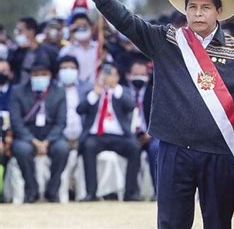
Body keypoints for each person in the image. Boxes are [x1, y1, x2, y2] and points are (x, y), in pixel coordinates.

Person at [81, 0, 234, 229]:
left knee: (218, 224)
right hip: (174, 150)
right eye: (193, 6)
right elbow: (127, 21)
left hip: (219, 152)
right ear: (185, 10)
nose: (198, 13)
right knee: (171, 224)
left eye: (206, 7)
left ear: (218, 11)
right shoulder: (166, 40)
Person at [76, 62, 141, 202]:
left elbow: (130, 106)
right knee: (88, 146)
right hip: (96, 135)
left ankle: (131, 192)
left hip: (118, 136)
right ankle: (91, 193)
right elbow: (80, 110)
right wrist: (95, 93)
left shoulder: (122, 91)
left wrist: (115, 89)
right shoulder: (91, 91)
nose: (109, 77)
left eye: (112, 74)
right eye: (106, 74)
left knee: (135, 148)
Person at [10, 56, 69, 203]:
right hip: (28, 134)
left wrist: (47, 141)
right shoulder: (18, 91)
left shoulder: (59, 92)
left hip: (51, 134)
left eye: (43, 74)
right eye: (36, 74)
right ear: (30, 75)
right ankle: (31, 190)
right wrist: (34, 141)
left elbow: (61, 122)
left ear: (50, 75)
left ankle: (52, 190)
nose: (40, 77)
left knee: (62, 148)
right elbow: (16, 122)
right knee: (22, 150)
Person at [125, 59, 160, 194]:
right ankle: (131, 193)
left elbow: (162, 116)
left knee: (156, 148)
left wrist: (151, 133)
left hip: (152, 134)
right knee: (131, 146)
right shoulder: (122, 91)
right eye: (135, 74)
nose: (139, 78)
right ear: (127, 75)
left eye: (142, 74)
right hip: (128, 135)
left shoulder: (155, 91)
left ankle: (158, 191)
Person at [59, 13, 99, 85]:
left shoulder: (99, 48)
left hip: (96, 91)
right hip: (74, 90)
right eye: (78, 26)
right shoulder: (66, 50)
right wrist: (71, 36)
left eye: (84, 26)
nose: (81, 28)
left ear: (91, 28)